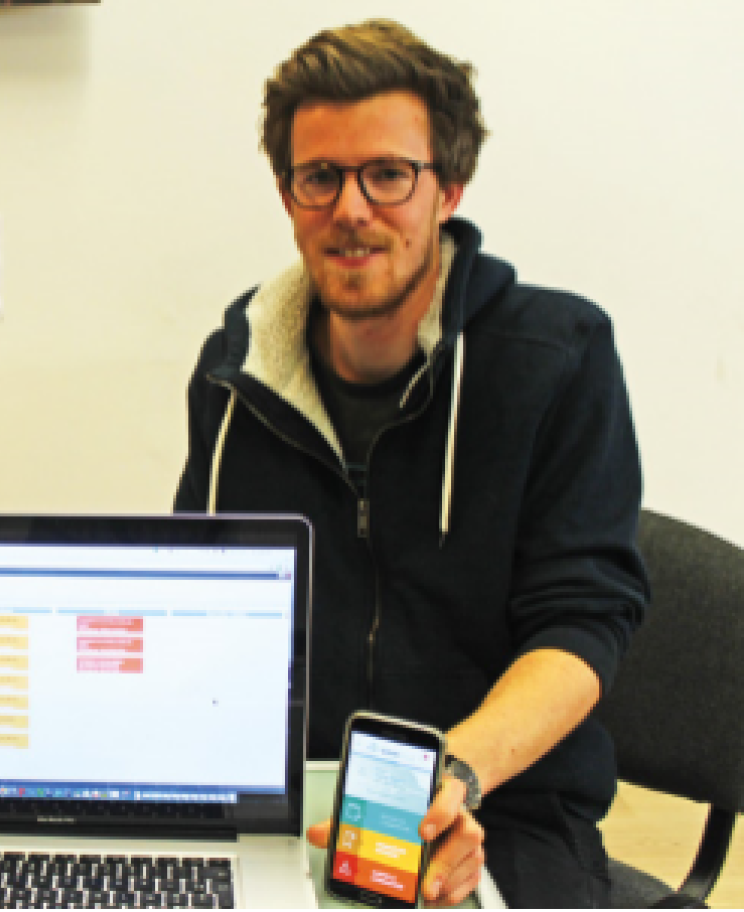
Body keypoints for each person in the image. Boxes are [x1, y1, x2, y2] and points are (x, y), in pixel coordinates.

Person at [173, 21, 648, 908]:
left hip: (504, 804)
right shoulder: (232, 375)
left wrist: (448, 781)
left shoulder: (558, 358)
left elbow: (584, 624)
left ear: (449, 188)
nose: (352, 209)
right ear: (288, 194)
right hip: (290, 802)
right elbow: (195, 599)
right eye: (321, 177)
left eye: (389, 174)